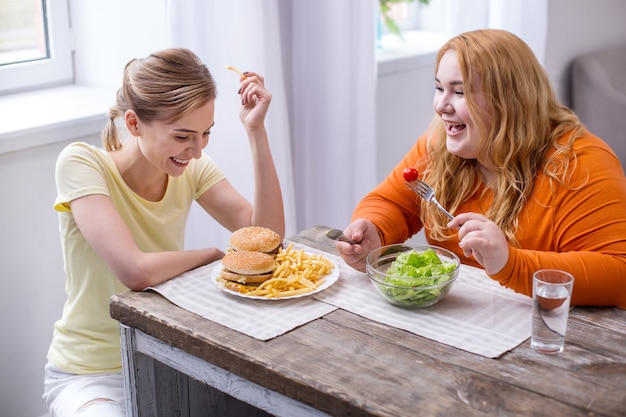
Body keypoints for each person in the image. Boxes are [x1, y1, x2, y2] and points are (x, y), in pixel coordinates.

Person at [43, 48, 285, 416]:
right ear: (134, 123)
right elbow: (134, 271)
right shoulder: (81, 164)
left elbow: (267, 237)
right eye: (183, 136)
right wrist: (213, 257)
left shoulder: (191, 170)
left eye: (205, 134)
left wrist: (256, 131)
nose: (197, 151)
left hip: (167, 358)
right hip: (92, 374)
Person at [336, 29, 626, 309]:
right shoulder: (440, 144)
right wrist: (375, 230)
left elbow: (618, 272)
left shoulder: (581, 163)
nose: (441, 106)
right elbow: (391, 204)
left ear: (511, 102)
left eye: (459, 92)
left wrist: (510, 263)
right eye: (439, 88)